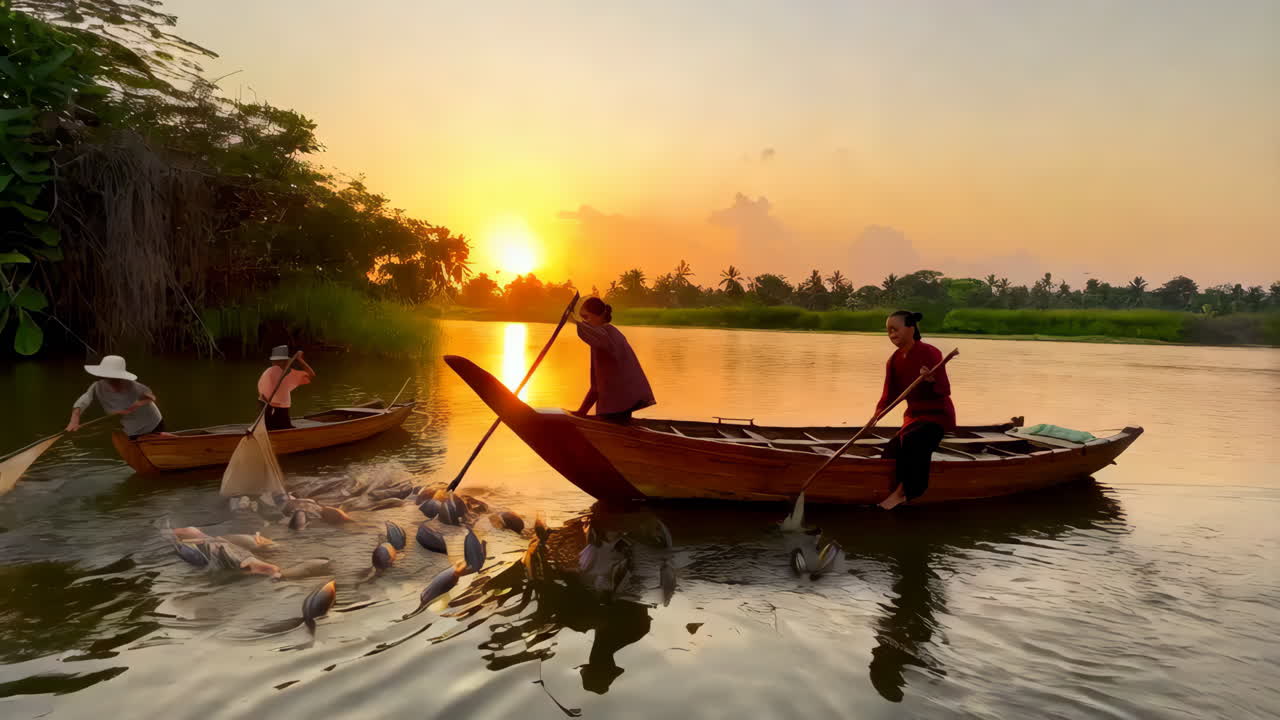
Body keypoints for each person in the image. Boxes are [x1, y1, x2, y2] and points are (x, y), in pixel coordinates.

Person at [874, 310, 955, 509]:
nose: (892, 334)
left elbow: (945, 390)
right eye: (889, 331)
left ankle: (905, 492)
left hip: (937, 416)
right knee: (891, 450)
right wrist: (877, 414)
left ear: (911, 328)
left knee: (913, 442)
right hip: (913, 419)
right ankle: (883, 489)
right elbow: (889, 394)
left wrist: (931, 380)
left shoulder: (930, 352)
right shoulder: (893, 360)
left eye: (895, 329)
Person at [570, 297, 655, 424]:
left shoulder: (606, 336)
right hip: (622, 401)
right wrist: (581, 413)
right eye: (582, 318)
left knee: (614, 423)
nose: (585, 322)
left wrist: (576, 323)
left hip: (621, 401)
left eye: (586, 317)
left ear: (599, 316)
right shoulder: (604, 337)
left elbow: (593, 333)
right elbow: (596, 387)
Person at [66, 355, 166, 439]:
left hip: (151, 423)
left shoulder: (135, 386)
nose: (114, 383)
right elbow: (84, 400)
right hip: (130, 428)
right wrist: (74, 419)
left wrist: (135, 405)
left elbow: (151, 397)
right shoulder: (97, 387)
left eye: (117, 379)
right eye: (110, 379)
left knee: (158, 441)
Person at [257, 345, 317, 430]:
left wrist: (300, 360)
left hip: (281, 410)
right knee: (273, 423)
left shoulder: (289, 373)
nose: (277, 364)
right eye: (276, 362)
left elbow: (311, 375)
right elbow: (262, 394)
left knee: (282, 422)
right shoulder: (270, 372)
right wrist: (267, 402)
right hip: (268, 407)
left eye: (282, 361)